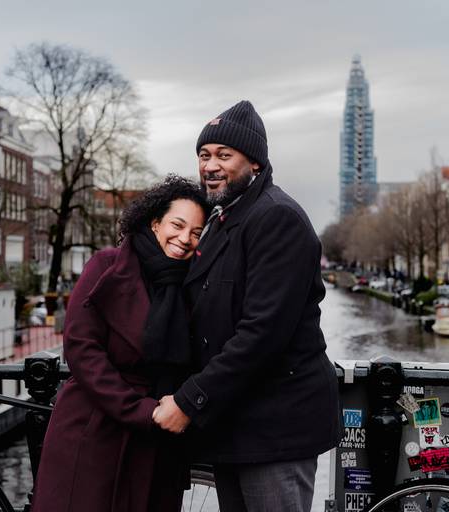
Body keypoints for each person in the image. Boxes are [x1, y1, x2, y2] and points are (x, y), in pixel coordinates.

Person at [153, 100, 341, 511]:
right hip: (236, 423)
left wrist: (190, 400)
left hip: (276, 428)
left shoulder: (277, 218)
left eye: (224, 155)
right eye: (204, 155)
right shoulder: (222, 220)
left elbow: (263, 334)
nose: (210, 166)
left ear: (254, 163)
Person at [31, 176, 208, 512]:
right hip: (95, 428)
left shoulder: (193, 283)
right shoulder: (108, 266)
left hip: (158, 438)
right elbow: (82, 348)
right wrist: (142, 410)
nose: (184, 239)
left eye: (196, 233)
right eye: (178, 225)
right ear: (155, 222)